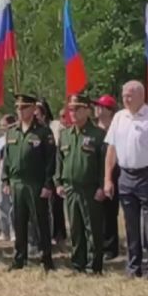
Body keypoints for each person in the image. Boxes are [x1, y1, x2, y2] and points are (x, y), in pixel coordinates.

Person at [103, 81, 148, 280]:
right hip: (125, 175)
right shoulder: (119, 117)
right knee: (130, 223)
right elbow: (111, 150)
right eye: (124, 95)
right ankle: (133, 267)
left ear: (141, 96)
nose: (126, 98)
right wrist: (108, 178)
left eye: (130, 95)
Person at [3, 94, 57, 272]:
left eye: (24, 107)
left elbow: (50, 160)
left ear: (34, 109)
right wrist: (5, 179)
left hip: (36, 183)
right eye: (18, 107)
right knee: (19, 221)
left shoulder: (43, 131)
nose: (20, 111)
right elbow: (7, 159)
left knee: (40, 221)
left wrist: (48, 184)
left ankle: (46, 257)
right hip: (17, 183)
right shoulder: (12, 131)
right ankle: (20, 257)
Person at [56, 94, 107, 274]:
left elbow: (104, 163)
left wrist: (102, 185)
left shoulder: (98, 135)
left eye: (77, 109)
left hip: (90, 188)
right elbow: (59, 161)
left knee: (92, 227)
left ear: (87, 110)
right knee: (76, 228)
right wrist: (59, 182)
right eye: (71, 109)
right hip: (71, 188)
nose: (73, 113)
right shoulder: (65, 135)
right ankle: (78, 263)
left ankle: (95, 265)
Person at [36, 99, 67, 248]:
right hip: (39, 169)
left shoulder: (56, 126)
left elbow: (60, 147)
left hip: (54, 167)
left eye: (39, 109)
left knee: (56, 203)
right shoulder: (33, 128)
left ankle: (59, 233)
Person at [93, 94, 121, 260]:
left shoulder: (115, 129)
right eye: (97, 106)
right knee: (97, 213)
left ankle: (110, 247)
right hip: (94, 176)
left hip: (113, 174)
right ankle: (98, 244)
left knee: (110, 213)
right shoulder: (93, 129)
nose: (97, 109)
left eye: (101, 106)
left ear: (110, 111)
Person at [0, 114, 16, 242]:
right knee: (1, 202)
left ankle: (14, 232)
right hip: (1, 170)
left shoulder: (15, 138)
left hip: (12, 172)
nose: (3, 128)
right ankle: (5, 231)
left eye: (5, 125)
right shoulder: (0, 140)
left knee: (13, 204)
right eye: (1, 126)